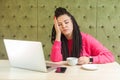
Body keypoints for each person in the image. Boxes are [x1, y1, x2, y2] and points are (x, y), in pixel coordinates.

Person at [50, 7, 114, 64]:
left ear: (72, 22)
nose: (64, 26)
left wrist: (89, 59)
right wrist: (58, 34)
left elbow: (109, 56)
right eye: (59, 24)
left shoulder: (86, 38)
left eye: (66, 22)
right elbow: (55, 60)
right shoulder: (59, 42)